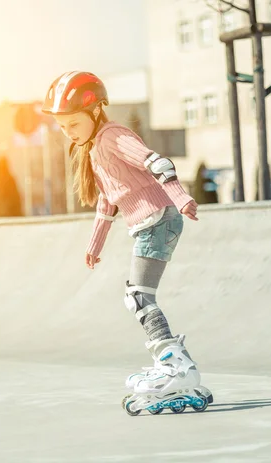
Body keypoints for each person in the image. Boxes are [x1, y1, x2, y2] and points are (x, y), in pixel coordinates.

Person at [41, 71, 212, 415]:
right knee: (137, 295)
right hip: (152, 221)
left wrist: (180, 198)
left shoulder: (112, 136)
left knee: (138, 296)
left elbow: (156, 162)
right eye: (62, 127)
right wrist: (95, 245)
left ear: (94, 111)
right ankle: (175, 363)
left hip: (158, 218)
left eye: (72, 124)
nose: (68, 133)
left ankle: (175, 366)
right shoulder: (94, 149)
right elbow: (108, 203)